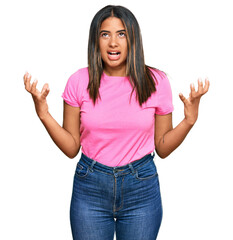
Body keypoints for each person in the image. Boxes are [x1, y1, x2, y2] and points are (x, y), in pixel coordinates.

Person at [23, 5, 209, 240]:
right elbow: (71, 148)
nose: (113, 42)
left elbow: (162, 147)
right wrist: (43, 113)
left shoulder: (156, 82)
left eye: (121, 34)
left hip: (141, 187)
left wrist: (189, 120)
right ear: (96, 41)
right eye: (105, 34)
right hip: (90, 186)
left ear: (133, 39)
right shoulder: (78, 81)